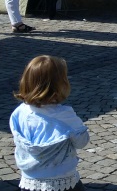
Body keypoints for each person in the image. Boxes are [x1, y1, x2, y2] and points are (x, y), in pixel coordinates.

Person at [10, 55, 90, 191]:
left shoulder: (20, 112)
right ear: (60, 85)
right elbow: (82, 142)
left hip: (30, 180)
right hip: (62, 179)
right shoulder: (65, 115)